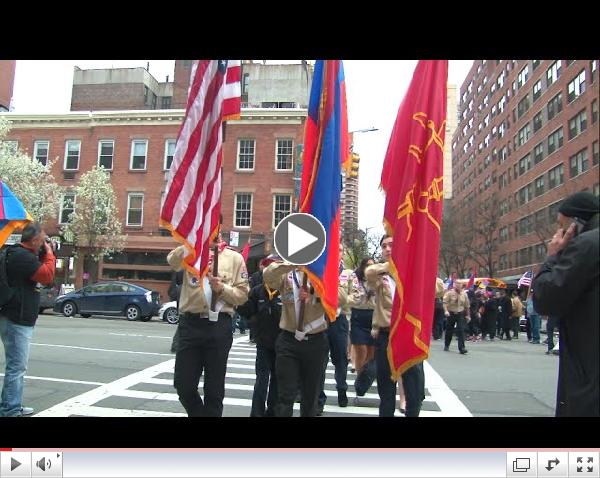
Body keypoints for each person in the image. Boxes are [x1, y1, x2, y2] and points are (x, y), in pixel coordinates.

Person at [167, 227, 249, 417]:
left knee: (214, 389)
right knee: (183, 385)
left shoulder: (234, 258)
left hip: (219, 326)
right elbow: (172, 261)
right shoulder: (191, 252)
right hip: (190, 324)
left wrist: (222, 288)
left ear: (219, 226)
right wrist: (191, 245)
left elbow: (242, 296)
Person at [532, 191, 599, 417]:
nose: (557, 233)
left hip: (589, 373)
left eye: (562, 226)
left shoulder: (586, 245)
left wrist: (552, 257)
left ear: (576, 225)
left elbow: (545, 297)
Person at [365, 235, 425, 417]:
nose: (387, 249)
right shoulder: (379, 274)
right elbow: (368, 273)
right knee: (386, 391)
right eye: (384, 246)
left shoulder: (413, 271)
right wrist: (393, 265)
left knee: (414, 391)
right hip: (386, 337)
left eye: (392, 245)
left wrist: (410, 266)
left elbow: (436, 286)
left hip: (409, 336)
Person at [0, 222, 56, 417]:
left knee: (15, 365)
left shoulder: (17, 254)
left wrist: (44, 251)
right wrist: (49, 252)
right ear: (33, 240)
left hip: (14, 315)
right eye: (42, 240)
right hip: (17, 318)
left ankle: (10, 404)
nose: (43, 244)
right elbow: (47, 276)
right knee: (17, 366)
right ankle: (10, 409)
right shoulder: (22, 257)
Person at [263, 260, 329, 417]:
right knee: (286, 395)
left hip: (315, 341)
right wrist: (291, 263)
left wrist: (314, 292)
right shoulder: (287, 274)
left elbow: (340, 297)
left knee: (310, 396)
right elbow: (268, 276)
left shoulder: (323, 272)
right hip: (289, 341)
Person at [236, 255, 281, 417]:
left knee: (277, 379)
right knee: (261, 379)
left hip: (282, 343)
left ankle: (273, 412)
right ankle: (256, 413)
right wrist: (238, 299)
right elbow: (247, 310)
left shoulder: (286, 290)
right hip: (262, 341)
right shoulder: (257, 291)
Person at [317, 246, 352, 412]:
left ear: (343, 253)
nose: (335, 252)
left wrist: (330, 293)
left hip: (339, 320)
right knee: (319, 360)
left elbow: (351, 296)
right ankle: (319, 398)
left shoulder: (348, 274)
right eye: (333, 248)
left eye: (339, 249)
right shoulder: (320, 269)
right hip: (321, 319)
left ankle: (342, 389)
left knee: (340, 360)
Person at [347, 258, 376, 397]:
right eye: (367, 265)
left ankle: (365, 377)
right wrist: (355, 298)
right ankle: (360, 377)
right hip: (358, 315)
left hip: (373, 316)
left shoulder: (378, 281)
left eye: (372, 266)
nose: (370, 268)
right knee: (361, 349)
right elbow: (348, 296)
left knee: (371, 352)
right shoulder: (355, 280)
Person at [442, 281, 470, 354]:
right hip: (451, 313)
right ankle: (446, 345)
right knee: (449, 330)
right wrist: (446, 311)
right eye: (457, 285)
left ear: (461, 286)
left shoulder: (464, 294)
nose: (458, 287)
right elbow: (445, 303)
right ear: (454, 286)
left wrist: (468, 315)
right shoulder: (449, 293)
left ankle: (462, 348)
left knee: (461, 330)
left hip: (460, 314)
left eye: (460, 285)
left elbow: (467, 306)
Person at [168, 270, 184, 353]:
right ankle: (176, 345)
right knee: (183, 325)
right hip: (185, 304)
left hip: (180, 305)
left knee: (182, 325)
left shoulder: (178, 269)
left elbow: (171, 292)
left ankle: (176, 345)